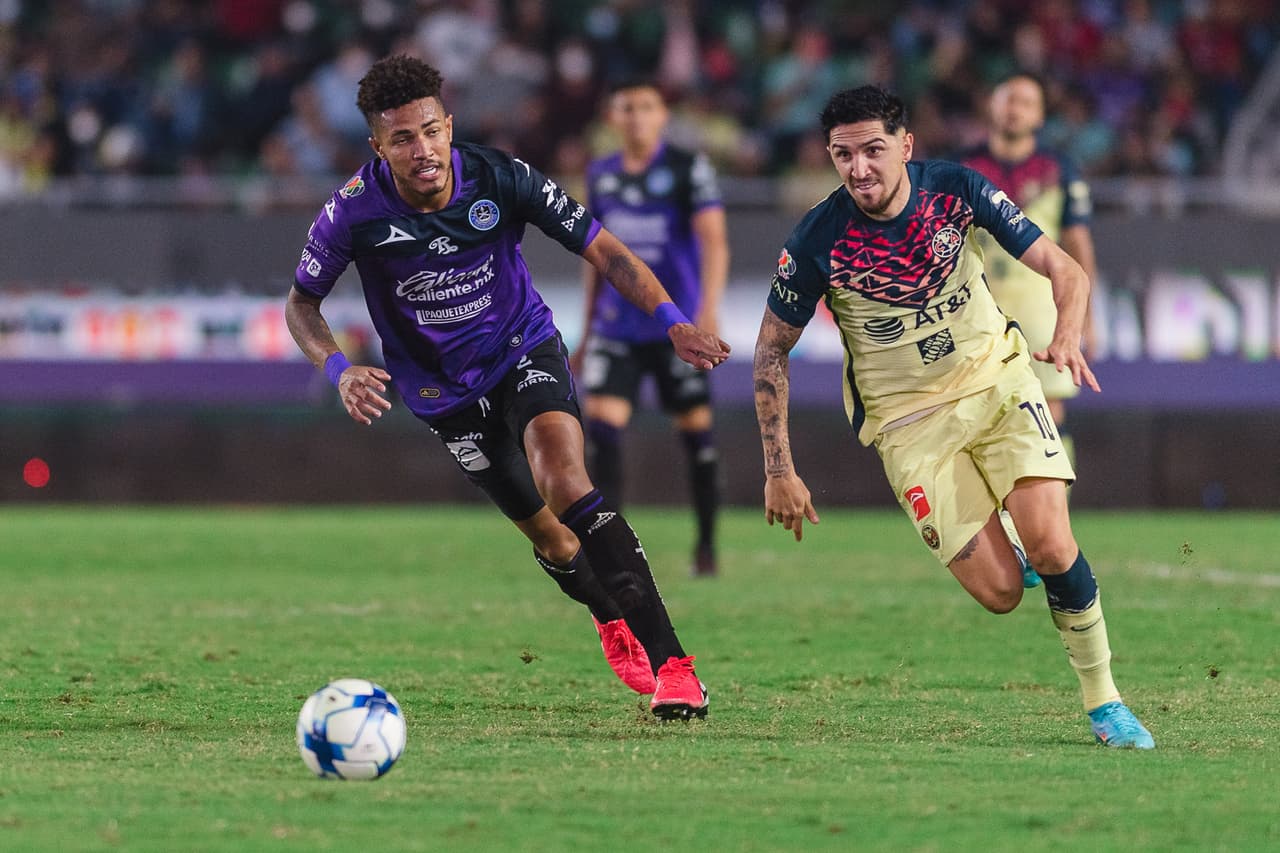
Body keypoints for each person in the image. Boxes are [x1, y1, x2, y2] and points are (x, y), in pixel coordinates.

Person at [285, 54, 730, 720]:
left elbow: (603, 247)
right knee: (552, 539)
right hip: (441, 392)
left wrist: (672, 320)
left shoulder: (501, 177)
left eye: (431, 130)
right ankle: (609, 614)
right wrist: (337, 369)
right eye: (402, 138)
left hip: (521, 349)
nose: (422, 148)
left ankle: (675, 667)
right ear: (378, 147)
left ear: (449, 124)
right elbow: (301, 304)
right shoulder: (352, 212)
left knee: (566, 479)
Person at [752, 85, 1154, 749]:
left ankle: (1105, 700)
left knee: (1054, 544)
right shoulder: (818, 238)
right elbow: (770, 349)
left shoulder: (955, 189)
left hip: (996, 382)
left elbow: (1065, 268)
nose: (859, 169)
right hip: (909, 428)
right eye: (842, 154)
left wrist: (1069, 334)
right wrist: (778, 469)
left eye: (873, 151)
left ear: (905, 147)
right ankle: (1010, 542)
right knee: (1000, 592)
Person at [574, 79, 729, 577]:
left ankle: (706, 548)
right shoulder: (600, 175)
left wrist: (707, 310)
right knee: (604, 433)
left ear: (663, 115)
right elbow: (596, 256)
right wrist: (586, 326)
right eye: (627, 108)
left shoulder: (688, 169)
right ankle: (613, 557)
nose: (637, 117)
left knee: (696, 439)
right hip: (618, 328)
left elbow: (714, 243)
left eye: (646, 107)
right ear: (612, 118)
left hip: (676, 329)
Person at [960, 72, 1099, 589]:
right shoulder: (964, 167)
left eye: (1027, 101)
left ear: (1040, 115)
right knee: (982, 417)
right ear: (991, 105)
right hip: (980, 310)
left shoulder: (1060, 168)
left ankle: (1049, 527)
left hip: (1041, 307)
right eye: (1008, 98)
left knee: (1050, 415)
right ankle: (1012, 535)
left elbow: (1077, 246)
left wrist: (1086, 317)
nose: (1016, 109)